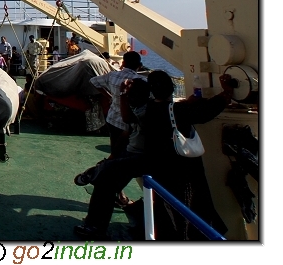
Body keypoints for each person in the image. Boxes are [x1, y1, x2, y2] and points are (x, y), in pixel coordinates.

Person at [140, 70, 234, 240]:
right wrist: (227, 91)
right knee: (191, 206)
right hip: (183, 171)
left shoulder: (150, 108)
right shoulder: (179, 110)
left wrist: (190, 103)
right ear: (172, 88)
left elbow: (179, 110)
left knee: (165, 206)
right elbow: (205, 112)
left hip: (160, 168)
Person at [73, 77, 150, 239]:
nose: (127, 99)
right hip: (132, 155)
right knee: (106, 174)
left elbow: (127, 120)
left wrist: (122, 93)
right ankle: (98, 172)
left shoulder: (146, 112)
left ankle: (95, 227)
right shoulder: (137, 108)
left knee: (105, 182)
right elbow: (125, 133)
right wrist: (111, 158)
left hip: (144, 158)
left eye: (130, 96)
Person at [90, 51, 144, 161]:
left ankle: (111, 166)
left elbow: (93, 81)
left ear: (123, 63)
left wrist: (109, 96)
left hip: (112, 119)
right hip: (129, 124)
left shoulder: (112, 76)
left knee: (115, 149)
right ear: (140, 65)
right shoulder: (141, 81)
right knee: (129, 152)